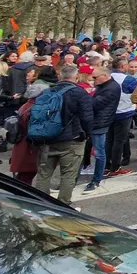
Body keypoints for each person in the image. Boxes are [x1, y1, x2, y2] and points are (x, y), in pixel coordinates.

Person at [33, 64, 94, 205]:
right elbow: (87, 118)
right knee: (68, 174)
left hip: (47, 137)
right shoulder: (80, 93)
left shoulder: (47, 92)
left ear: (60, 76)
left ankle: (42, 203)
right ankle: (63, 204)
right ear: (76, 77)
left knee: (44, 174)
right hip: (72, 138)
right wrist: (86, 134)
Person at [85, 65, 120, 192]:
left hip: (100, 123)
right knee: (90, 150)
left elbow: (94, 104)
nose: (93, 80)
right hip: (96, 122)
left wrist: (86, 95)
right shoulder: (104, 86)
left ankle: (96, 179)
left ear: (105, 76)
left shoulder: (111, 88)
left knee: (99, 153)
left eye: (95, 77)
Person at [105, 57, 137, 177]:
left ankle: (107, 165)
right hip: (124, 112)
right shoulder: (128, 79)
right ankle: (115, 167)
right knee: (119, 140)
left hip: (109, 112)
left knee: (109, 139)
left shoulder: (107, 77)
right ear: (123, 66)